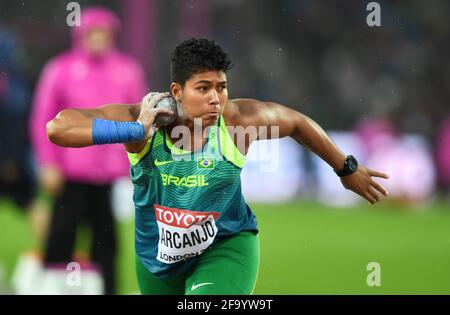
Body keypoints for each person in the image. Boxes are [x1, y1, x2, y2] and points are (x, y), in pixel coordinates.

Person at [45, 38, 389, 295]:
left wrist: (345, 167)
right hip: (156, 260)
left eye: (221, 87)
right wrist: (135, 130)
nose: (216, 99)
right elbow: (58, 127)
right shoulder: (142, 121)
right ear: (177, 91)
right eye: (204, 88)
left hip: (226, 245)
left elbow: (297, 123)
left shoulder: (238, 123)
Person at [29, 7, 146, 294]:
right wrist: (48, 164)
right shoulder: (61, 69)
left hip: (108, 178)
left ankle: (107, 290)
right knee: (60, 240)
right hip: (70, 175)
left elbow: (141, 120)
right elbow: (43, 118)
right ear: (80, 34)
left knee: (107, 246)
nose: (98, 38)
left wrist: (139, 162)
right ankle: (50, 289)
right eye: (92, 32)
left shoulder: (127, 70)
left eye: (103, 33)